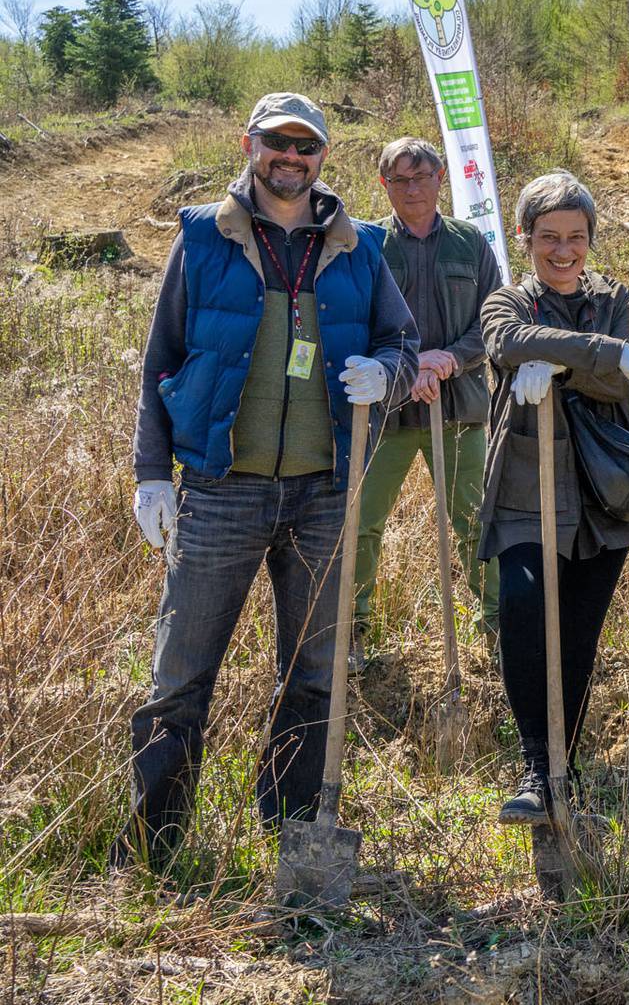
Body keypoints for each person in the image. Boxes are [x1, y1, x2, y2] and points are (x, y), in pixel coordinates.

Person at [123, 92, 418, 870]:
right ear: (249, 144)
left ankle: (294, 839)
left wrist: (384, 373)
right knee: (180, 674)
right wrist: (153, 471)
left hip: (324, 494)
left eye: (307, 146)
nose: (292, 157)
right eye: (278, 143)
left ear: (324, 155)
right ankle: (155, 849)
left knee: (313, 676)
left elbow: (404, 344)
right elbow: (160, 359)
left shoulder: (359, 246)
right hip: (221, 490)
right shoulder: (203, 236)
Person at [476, 171, 629, 823]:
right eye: (549, 236)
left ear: (591, 239)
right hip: (526, 485)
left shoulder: (613, 296)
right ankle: (536, 764)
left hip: (600, 489)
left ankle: (565, 765)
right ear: (525, 237)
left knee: (579, 634)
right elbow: (504, 343)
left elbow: (621, 380)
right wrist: (591, 354)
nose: (564, 251)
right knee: (526, 612)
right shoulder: (506, 300)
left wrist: (565, 358)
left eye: (577, 237)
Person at [351, 138, 504, 663]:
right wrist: (405, 366)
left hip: (458, 409)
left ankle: (499, 627)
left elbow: (495, 322)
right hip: (384, 416)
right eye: (400, 180)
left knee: (476, 521)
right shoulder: (367, 245)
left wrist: (447, 360)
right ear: (384, 185)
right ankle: (351, 634)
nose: (412, 189)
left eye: (422, 177)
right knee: (361, 523)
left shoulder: (470, 243)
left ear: (442, 179)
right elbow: (352, 323)